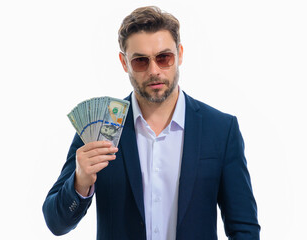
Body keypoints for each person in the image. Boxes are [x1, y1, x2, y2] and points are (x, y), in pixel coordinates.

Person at [42, 6, 260, 240]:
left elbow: (244, 229)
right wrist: (80, 182)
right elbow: (56, 223)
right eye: (140, 61)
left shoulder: (221, 130)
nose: (154, 71)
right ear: (124, 63)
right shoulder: (99, 127)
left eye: (164, 58)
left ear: (180, 54)